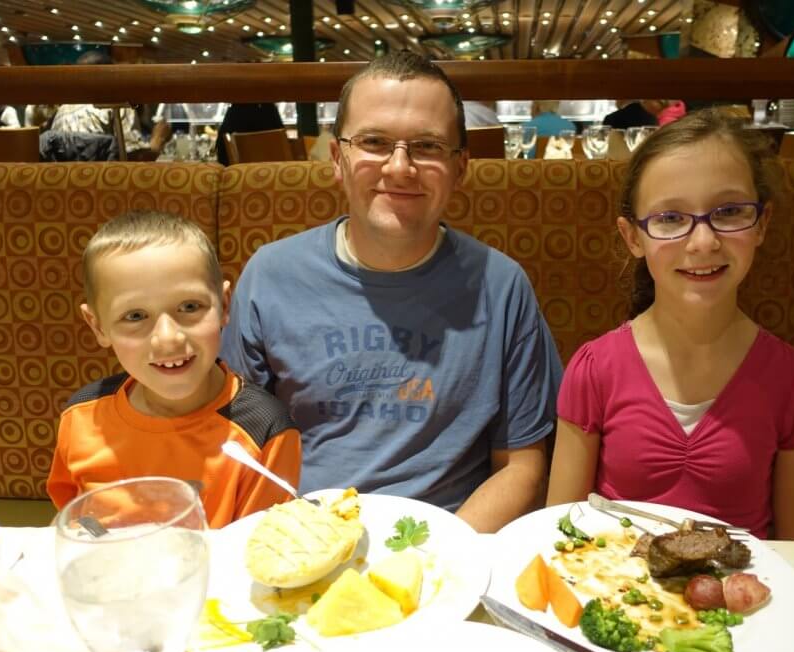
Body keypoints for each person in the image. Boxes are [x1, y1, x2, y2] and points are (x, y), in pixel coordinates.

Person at [221, 51, 562, 533]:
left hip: (452, 540)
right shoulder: (269, 277)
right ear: (338, 158)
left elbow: (522, 464)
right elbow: (239, 449)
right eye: (374, 142)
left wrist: (443, 560)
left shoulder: (502, 286)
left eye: (426, 146)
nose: (400, 167)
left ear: (461, 167)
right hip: (302, 537)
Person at [546, 109, 794, 541]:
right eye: (670, 219)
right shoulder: (594, 371)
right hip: (614, 589)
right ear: (633, 238)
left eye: (730, 211)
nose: (703, 242)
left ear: (762, 224)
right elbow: (560, 535)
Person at [46, 211, 301, 529]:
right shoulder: (82, 415)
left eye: (190, 307)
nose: (168, 338)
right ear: (97, 326)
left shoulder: (264, 430)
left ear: (223, 305)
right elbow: (74, 518)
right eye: (136, 316)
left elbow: (256, 552)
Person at [49, 51, 170, 160]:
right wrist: (157, 141)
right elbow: (134, 159)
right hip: (103, 180)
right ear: (110, 76)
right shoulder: (116, 104)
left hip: (62, 180)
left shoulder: (62, 110)